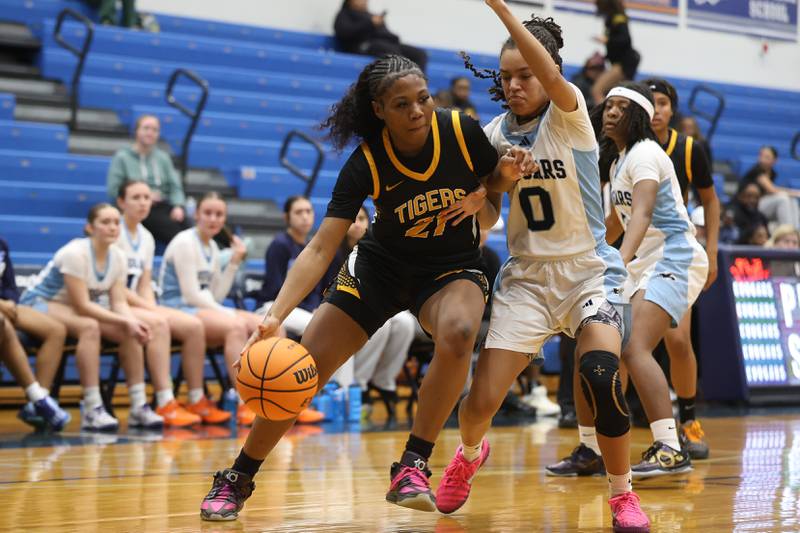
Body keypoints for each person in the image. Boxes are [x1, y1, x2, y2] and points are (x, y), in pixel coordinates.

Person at [199, 54, 533, 521]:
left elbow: (493, 192)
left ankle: (413, 463)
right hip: (380, 268)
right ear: (379, 110)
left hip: (450, 268)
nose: (417, 111)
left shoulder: (460, 130)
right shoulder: (367, 162)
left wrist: (489, 191)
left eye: (423, 98)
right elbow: (321, 247)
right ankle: (238, 476)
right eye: (402, 104)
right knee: (302, 370)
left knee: (459, 332)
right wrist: (275, 316)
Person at [446, 5, 649, 531]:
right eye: (506, 77)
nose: (514, 85)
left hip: (588, 272)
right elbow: (490, 216)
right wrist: (492, 187)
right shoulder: (494, 133)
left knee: (600, 374)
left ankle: (622, 495)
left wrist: (500, 10)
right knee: (478, 403)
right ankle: (469, 454)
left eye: (525, 74)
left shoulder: (570, 112)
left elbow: (552, 77)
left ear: (548, 69)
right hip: (528, 279)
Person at [594, 82, 708, 478]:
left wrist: (619, 260)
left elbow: (641, 214)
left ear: (638, 116)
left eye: (621, 107)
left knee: (636, 346)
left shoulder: (645, 153)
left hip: (675, 254)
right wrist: (588, 255)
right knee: (616, 346)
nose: (611, 112)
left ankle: (670, 446)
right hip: (647, 260)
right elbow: (616, 222)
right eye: (609, 105)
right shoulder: (618, 161)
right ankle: (604, 444)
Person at [20, 204, 164, 431]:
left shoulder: (118, 257)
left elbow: (118, 303)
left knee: (129, 331)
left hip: (69, 307)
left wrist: (132, 322)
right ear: (89, 227)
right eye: (105, 222)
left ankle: (138, 405)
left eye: (116, 222)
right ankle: (92, 407)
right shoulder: (75, 253)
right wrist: (126, 320)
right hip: (38, 302)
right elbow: (83, 306)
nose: (113, 227)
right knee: (89, 327)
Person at [644, 77, 720, 459]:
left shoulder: (689, 149)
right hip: (635, 251)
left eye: (663, 103)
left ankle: (688, 420)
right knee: (625, 344)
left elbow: (710, 200)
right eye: (651, 102)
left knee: (676, 340)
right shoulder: (625, 146)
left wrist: (712, 251)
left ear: (672, 109)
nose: (657, 109)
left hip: (673, 251)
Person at [115, 181, 230, 426]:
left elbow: (144, 284)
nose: (143, 203)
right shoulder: (114, 232)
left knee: (193, 326)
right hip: (113, 303)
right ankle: (165, 401)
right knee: (159, 323)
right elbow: (116, 287)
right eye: (136, 197)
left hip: (136, 303)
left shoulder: (146, 237)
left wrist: (150, 305)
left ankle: (196, 398)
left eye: (147, 197)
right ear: (121, 202)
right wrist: (150, 309)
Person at [159, 192, 261, 427]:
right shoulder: (185, 242)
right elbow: (190, 295)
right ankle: (245, 403)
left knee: (263, 325)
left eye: (219, 214)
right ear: (196, 215)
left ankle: (277, 395)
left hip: (200, 308)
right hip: (176, 307)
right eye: (208, 213)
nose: (213, 219)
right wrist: (227, 313)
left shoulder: (213, 246)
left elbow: (215, 296)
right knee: (235, 327)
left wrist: (233, 263)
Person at [332, 206, 417, 421]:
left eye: (362, 218)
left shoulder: (377, 251)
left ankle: (384, 380)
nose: (357, 224)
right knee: (380, 324)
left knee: (405, 322)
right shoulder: (334, 251)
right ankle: (359, 384)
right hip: (343, 308)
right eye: (353, 219)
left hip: (376, 305)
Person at [255, 195, 326, 424]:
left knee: (335, 326)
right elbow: (276, 289)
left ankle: (336, 391)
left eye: (308, 211)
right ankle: (301, 396)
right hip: (272, 308)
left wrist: (314, 307)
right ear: (287, 217)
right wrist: (309, 309)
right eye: (298, 212)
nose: (305, 216)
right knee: (320, 328)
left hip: (301, 310)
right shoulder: (279, 245)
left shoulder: (310, 246)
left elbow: (314, 288)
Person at [0, 239, 71, 431]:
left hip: (6, 306)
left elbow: (9, 285)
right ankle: (37, 397)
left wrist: (10, 302)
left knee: (56, 330)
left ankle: (39, 405)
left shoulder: (2, 245)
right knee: (2, 323)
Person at [107, 115, 190, 245]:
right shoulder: (122, 157)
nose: (150, 133)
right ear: (136, 131)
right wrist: (145, 195)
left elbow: (175, 187)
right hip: (139, 207)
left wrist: (178, 206)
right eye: (146, 128)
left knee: (193, 227)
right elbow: (114, 189)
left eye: (155, 130)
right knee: (180, 235)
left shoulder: (163, 158)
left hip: (163, 205)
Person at [334, 0, 428, 71]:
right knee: (390, 51)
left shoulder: (371, 15)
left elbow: (386, 34)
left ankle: (419, 83)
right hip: (363, 46)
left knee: (419, 54)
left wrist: (393, 37)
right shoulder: (344, 15)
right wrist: (370, 23)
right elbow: (345, 33)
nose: (363, 1)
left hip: (386, 44)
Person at [591, 0, 640, 106]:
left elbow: (625, 39)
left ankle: (603, 113)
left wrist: (607, 40)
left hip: (624, 64)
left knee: (597, 90)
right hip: (619, 62)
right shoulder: (612, 18)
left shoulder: (618, 18)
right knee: (618, 95)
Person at [741, 146, 800, 229]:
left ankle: (796, 230)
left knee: (793, 200)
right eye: (761, 156)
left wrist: (793, 195)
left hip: (763, 203)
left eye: (767, 157)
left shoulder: (772, 173)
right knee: (783, 199)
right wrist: (796, 193)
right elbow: (772, 190)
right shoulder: (757, 171)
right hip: (750, 206)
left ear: (774, 160)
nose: (762, 159)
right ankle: (787, 230)